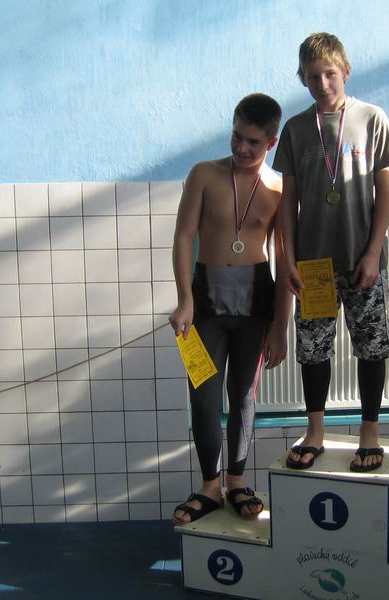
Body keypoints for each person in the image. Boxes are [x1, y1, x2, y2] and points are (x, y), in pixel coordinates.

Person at [273, 32, 389, 473]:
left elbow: (385, 192)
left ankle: (370, 433)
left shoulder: (372, 118)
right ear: (302, 79)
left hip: (363, 260)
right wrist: (287, 259)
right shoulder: (295, 129)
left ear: (345, 71)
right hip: (314, 267)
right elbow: (287, 201)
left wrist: (373, 251)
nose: (322, 83)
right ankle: (315, 432)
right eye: (313, 76)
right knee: (313, 351)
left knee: (371, 347)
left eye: (330, 74)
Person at [169, 93, 289, 524]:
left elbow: (284, 259)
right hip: (205, 303)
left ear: (271, 143)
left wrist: (281, 326)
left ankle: (236, 481)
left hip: (256, 302)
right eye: (237, 136)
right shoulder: (204, 174)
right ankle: (209, 486)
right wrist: (184, 299)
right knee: (203, 396)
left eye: (253, 142)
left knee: (242, 396)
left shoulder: (279, 187)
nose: (241, 148)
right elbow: (184, 237)